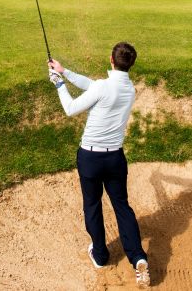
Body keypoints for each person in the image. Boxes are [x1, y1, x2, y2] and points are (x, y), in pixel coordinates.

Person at [48, 42, 150, 288]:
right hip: (115, 159)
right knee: (122, 206)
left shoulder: (104, 87)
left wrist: (59, 84)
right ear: (129, 64)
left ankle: (101, 255)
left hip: (90, 158)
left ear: (111, 60)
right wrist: (64, 71)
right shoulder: (129, 89)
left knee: (92, 205)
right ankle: (137, 258)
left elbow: (71, 109)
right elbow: (93, 86)